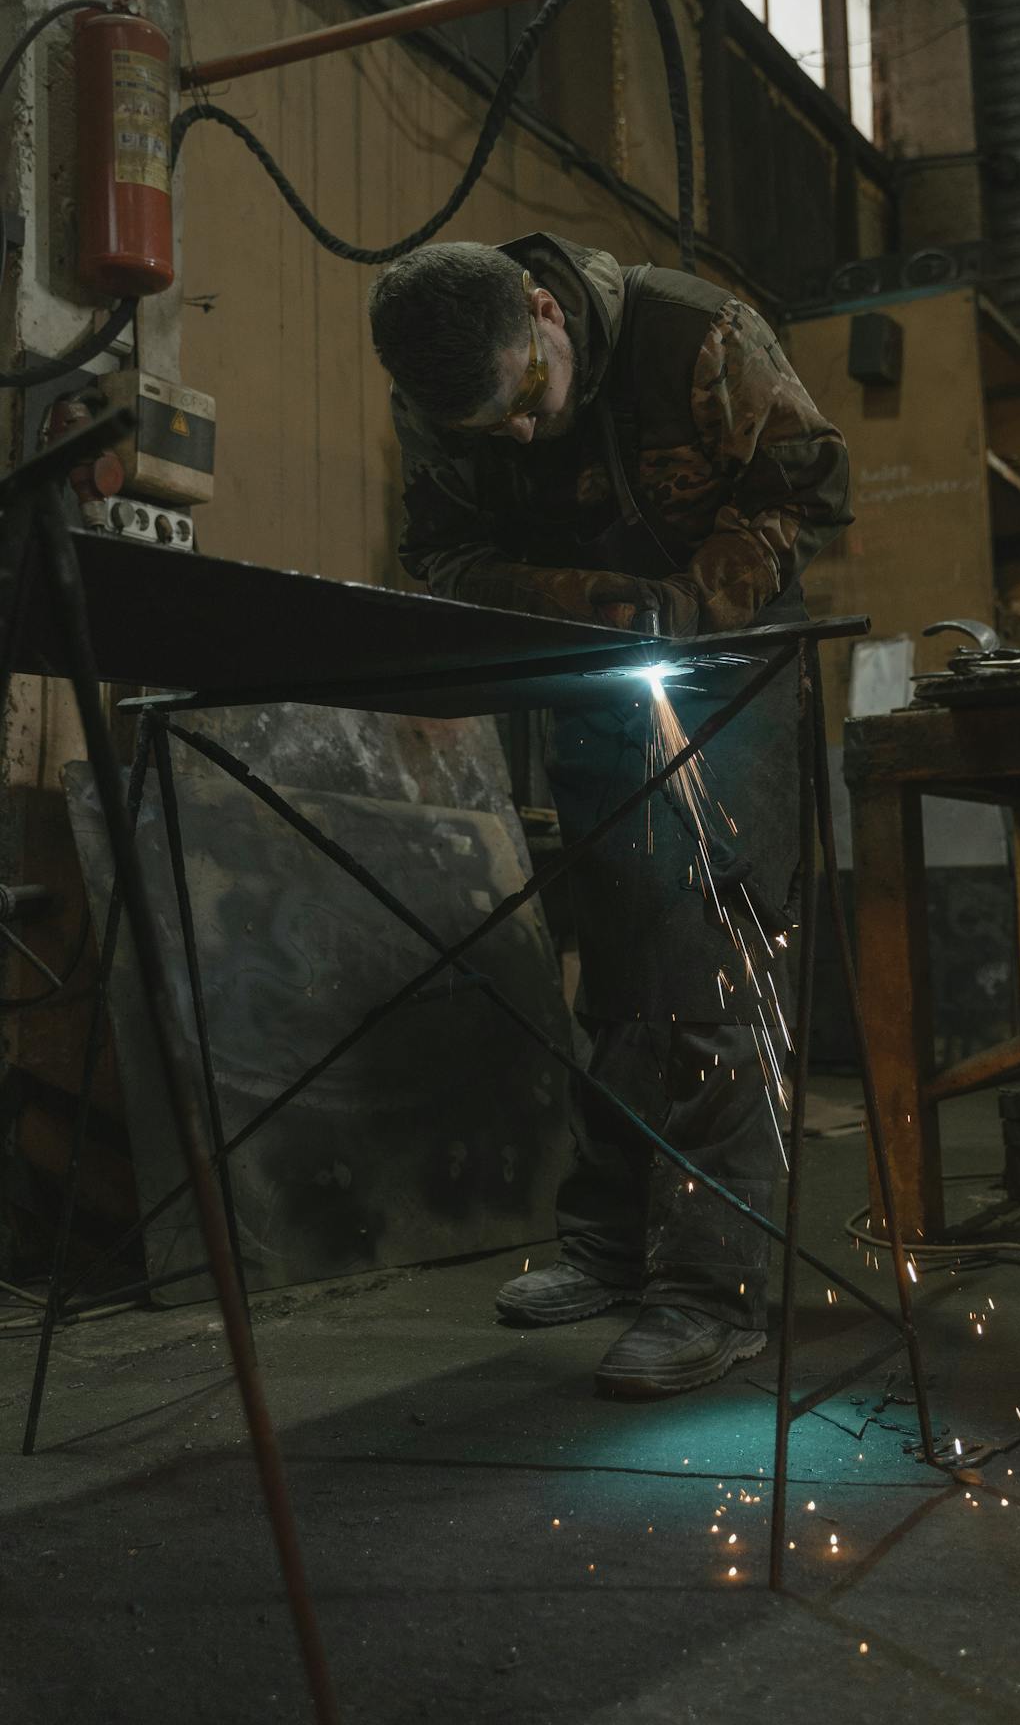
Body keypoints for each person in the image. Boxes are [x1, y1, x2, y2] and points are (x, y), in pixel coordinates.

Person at [368, 232, 851, 1397]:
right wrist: (586, 603)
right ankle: (613, 1245)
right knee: (624, 960)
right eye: (496, 427)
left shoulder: (697, 337)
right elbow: (443, 553)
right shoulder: (443, 406)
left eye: (528, 397)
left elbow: (811, 487)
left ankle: (711, 1289)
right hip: (589, 676)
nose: (523, 434)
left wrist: (688, 603)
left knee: (714, 969)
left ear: (545, 310)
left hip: (727, 667)